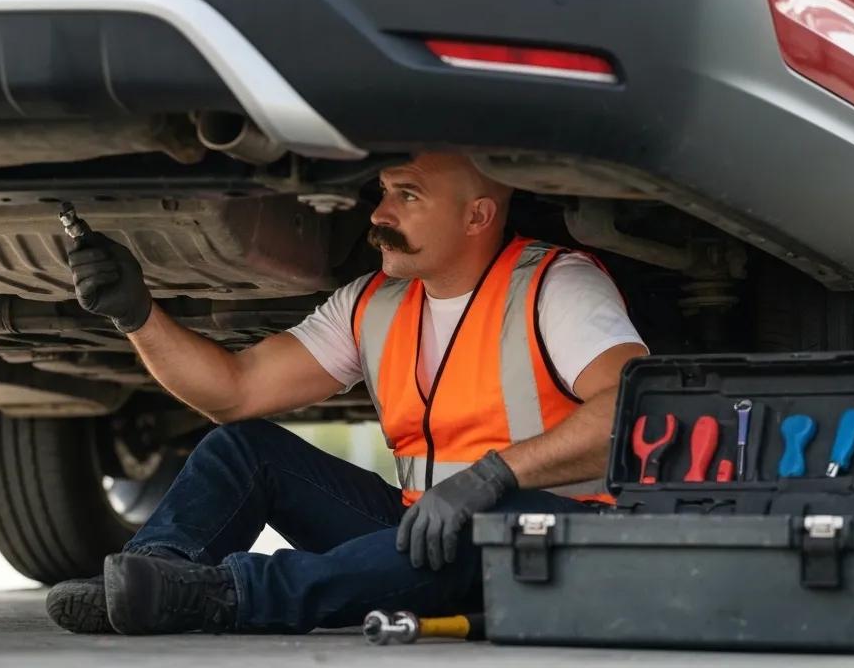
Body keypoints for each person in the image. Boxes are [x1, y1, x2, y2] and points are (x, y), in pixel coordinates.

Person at [46, 151, 647, 635]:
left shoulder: (555, 285)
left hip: (545, 537)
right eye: (384, 191)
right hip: (422, 528)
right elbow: (234, 393)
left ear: (477, 217)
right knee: (243, 447)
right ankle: (153, 579)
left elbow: (628, 414)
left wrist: (490, 480)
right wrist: (138, 315)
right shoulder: (372, 302)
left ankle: (227, 597)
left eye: (406, 196)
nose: (379, 213)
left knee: (482, 525)